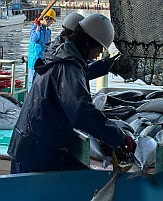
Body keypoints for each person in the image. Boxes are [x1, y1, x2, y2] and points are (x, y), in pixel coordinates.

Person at [8, 13, 136, 174]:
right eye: (99, 49)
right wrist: (119, 137)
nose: (98, 54)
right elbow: (81, 111)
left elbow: (82, 72)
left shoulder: (59, 54)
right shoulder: (68, 66)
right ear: (89, 43)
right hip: (36, 153)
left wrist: (105, 65)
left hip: (30, 146)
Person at [27, 9, 56, 91]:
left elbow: (48, 45)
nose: (52, 23)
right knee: (32, 83)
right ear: (47, 19)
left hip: (43, 61)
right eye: (51, 21)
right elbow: (35, 39)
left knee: (41, 84)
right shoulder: (35, 29)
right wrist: (38, 28)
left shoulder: (48, 31)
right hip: (34, 61)